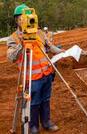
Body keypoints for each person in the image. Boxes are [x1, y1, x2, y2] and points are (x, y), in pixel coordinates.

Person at [7, 4, 63, 134]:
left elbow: (50, 47)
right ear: (17, 20)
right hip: (31, 78)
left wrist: (63, 51)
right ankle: (33, 126)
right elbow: (11, 57)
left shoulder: (40, 33)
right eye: (22, 17)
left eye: (28, 17)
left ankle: (46, 122)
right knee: (34, 102)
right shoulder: (14, 38)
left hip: (47, 74)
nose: (26, 19)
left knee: (46, 99)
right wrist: (22, 44)